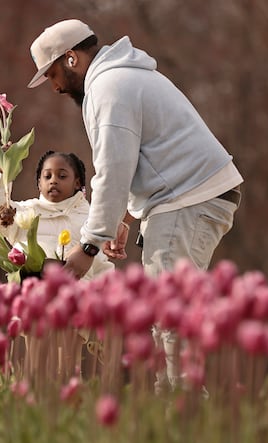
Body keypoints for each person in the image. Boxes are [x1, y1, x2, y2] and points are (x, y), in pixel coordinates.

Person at [27, 19, 243, 395]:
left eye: (53, 73)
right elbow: (137, 160)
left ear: (72, 58)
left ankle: (185, 417)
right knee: (172, 315)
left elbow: (112, 170)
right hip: (188, 197)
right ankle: (183, 413)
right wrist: (126, 217)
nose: (54, 86)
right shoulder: (121, 79)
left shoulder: (109, 88)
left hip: (185, 199)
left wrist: (90, 245)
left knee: (169, 317)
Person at [0, 150, 114, 281]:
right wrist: (3, 168)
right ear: (39, 183)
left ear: (77, 183)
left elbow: (100, 265)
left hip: (77, 293)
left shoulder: (91, 217)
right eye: (47, 176)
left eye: (62, 176)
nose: (53, 181)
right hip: (31, 291)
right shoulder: (26, 211)